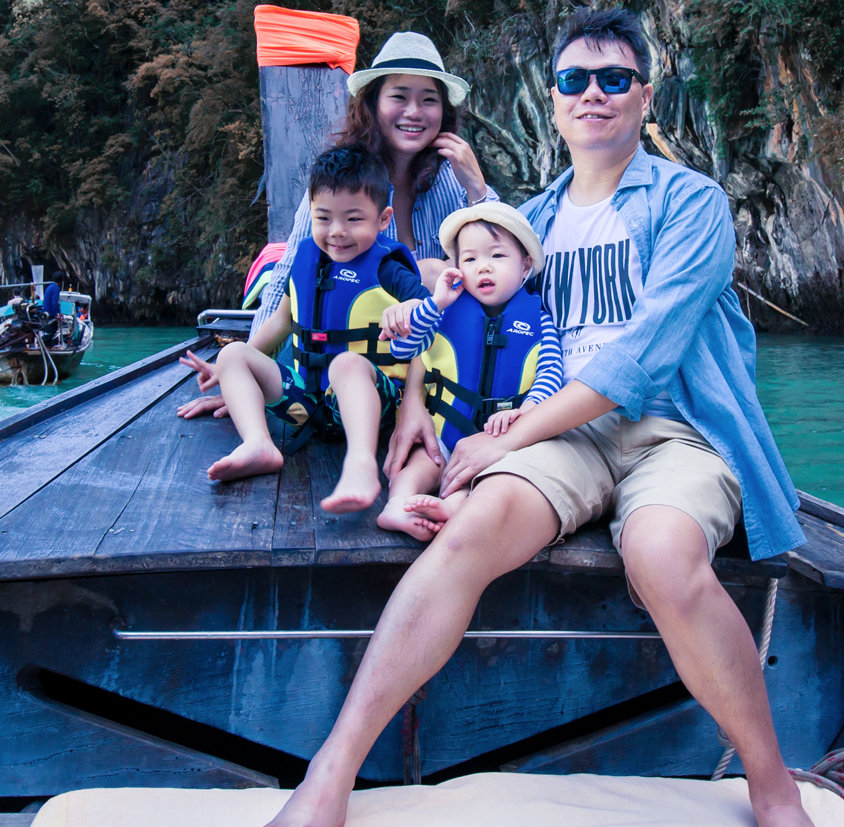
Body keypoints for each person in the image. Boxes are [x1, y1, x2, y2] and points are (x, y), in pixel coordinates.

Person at [252, 8, 839, 827]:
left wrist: (509, 436)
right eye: (574, 80)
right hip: (558, 435)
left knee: (660, 554)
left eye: (613, 78)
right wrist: (419, 408)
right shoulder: (524, 223)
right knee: (468, 531)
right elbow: (447, 324)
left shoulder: (690, 203)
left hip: (676, 429)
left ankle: (772, 788)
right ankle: (332, 773)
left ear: (645, 95)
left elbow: (643, 357)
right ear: (555, 105)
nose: (592, 93)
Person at [177, 31, 491, 428]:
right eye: (399, 96)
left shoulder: (451, 179)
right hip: (335, 379)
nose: (414, 111)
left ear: (443, 113)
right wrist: (242, 380)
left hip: (420, 370)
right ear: (373, 102)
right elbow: (285, 286)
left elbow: (502, 265)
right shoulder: (339, 181)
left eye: (429, 99)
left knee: (432, 269)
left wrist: (478, 189)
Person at [203, 146, 425, 512]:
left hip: (374, 407)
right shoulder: (305, 259)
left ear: (383, 219)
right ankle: (258, 443)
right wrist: (228, 373)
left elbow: (426, 308)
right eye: (324, 218)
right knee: (232, 353)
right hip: (308, 405)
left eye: (353, 219)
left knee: (346, 364)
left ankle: (361, 464)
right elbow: (281, 321)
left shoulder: (387, 267)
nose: (337, 232)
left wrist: (409, 310)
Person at [371, 203, 563, 541]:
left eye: (498, 257)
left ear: (525, 266)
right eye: (470, 260)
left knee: (494, 480)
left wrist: (525, 413)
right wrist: (432, 305)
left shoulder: (539, 320)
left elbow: (550, 375)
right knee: (420, 463)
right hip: (444, 436)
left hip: (499, 443)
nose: (483, 267)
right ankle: (398, 504)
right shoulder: (443, 311)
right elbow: (404, 350)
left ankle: (450, 508)